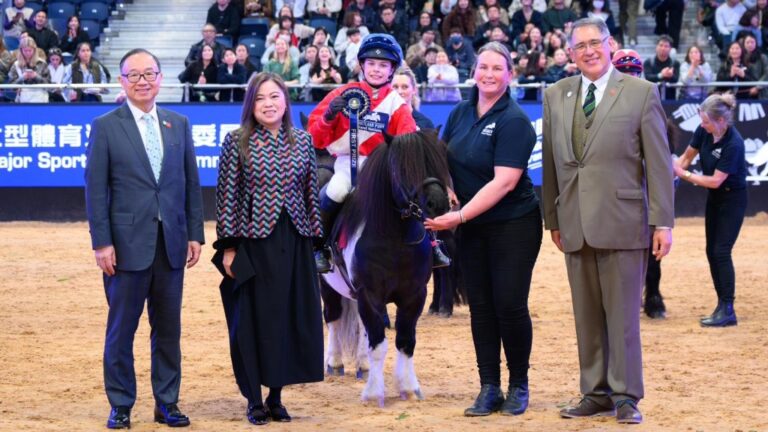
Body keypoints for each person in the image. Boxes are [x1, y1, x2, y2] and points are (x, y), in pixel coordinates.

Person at [541, 18, 674, 424]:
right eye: (579, 45)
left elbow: (659, 164)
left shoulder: (641, 92)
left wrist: (662, 222)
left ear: (610, 44)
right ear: (570, 52)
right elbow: (550, 164)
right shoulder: (555, 95)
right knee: (586, 316)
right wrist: (553, 217)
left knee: (623, 318)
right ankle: (594, 391)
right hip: (574, 223)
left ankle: (626, 395)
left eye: (595, 42)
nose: (588, 51)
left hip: (624, 221)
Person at [85, 48, 205, 430]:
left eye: (149, 73)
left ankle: (167, 403)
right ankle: (121, 403)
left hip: (170, 245)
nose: (142, 80)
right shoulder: (106, 125)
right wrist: (101, 242)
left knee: (168, 329)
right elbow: (95, 189)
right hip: (123, 248)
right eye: (133, 75)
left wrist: (194, 234)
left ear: (160, 78)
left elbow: (190, 183)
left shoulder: (178, 123)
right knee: (121, 329)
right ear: (122, 81)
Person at [425, 41, 542, 418]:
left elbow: (504, 183)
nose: (488, 74)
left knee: (509, 304)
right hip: (474, 227)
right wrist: (448, 189)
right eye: (483, 67)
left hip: (513, 225)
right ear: (473, 72)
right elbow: (443, 160)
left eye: (497, 68)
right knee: (481, 309)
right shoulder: (460, 112)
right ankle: (488, 387)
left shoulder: (515, 121)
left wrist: (458, 218)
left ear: (510, 75)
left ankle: (518, 385)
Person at [213, 71, 324, 426]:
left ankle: (276, 395)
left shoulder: (303, 141)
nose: (269, 104)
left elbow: (310, 194)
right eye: (260, 98)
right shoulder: (237, 141)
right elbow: (227, 196)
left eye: (275, 97)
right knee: (253, 320)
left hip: (294, 241)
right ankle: (254, 399)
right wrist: (228, 247)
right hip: (252, 243)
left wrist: (316, 240)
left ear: (286, 101)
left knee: (288, 319)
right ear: (251, 104)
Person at [307, 34, 450, 272]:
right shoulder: (340, 94)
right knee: (336, 189)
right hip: (346, 164)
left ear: (392, 70)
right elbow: (314, 138)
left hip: (384, 169)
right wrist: (328, 117)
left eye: (383, 65)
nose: (376, 70)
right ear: (362, 65)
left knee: (412, 194)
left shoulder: (397, 104)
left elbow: (409, 143)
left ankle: (433, 244)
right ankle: (319, 247)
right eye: (371, 64)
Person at [673, 93, 747, 327]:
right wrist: (670, 176)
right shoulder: (704, 131)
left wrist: (682, 175)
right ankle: (721, 304)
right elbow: (686, 157)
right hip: (715, 199)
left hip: (732, 199)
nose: (702, 125)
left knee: (721, 251)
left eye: (706, 121)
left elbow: (716, 181)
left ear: (721, 121)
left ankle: (728, 308)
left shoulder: (734, 144)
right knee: (711, 251)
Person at [8, 36, 50, 103]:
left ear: (34, 50)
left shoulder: (42, 64)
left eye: (30, 50)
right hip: (23, 100)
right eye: (25, 50)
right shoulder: (16, 65)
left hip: (41, 99)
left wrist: (36, 77)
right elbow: (11, 87)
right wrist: (22, 78)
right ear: (21, 50)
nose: (28, 53)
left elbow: (49, 85)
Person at [643, 35, 680, 101]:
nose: (663, 48)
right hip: (652, 99)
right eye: (661, 45)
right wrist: (661, 75)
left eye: (666, 46)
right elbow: (648, 77)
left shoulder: (675, 63)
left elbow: (676, 79)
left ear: (670, 48)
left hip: (670, 100)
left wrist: (670, 75)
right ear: (656, 47)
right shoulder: (648, 62)